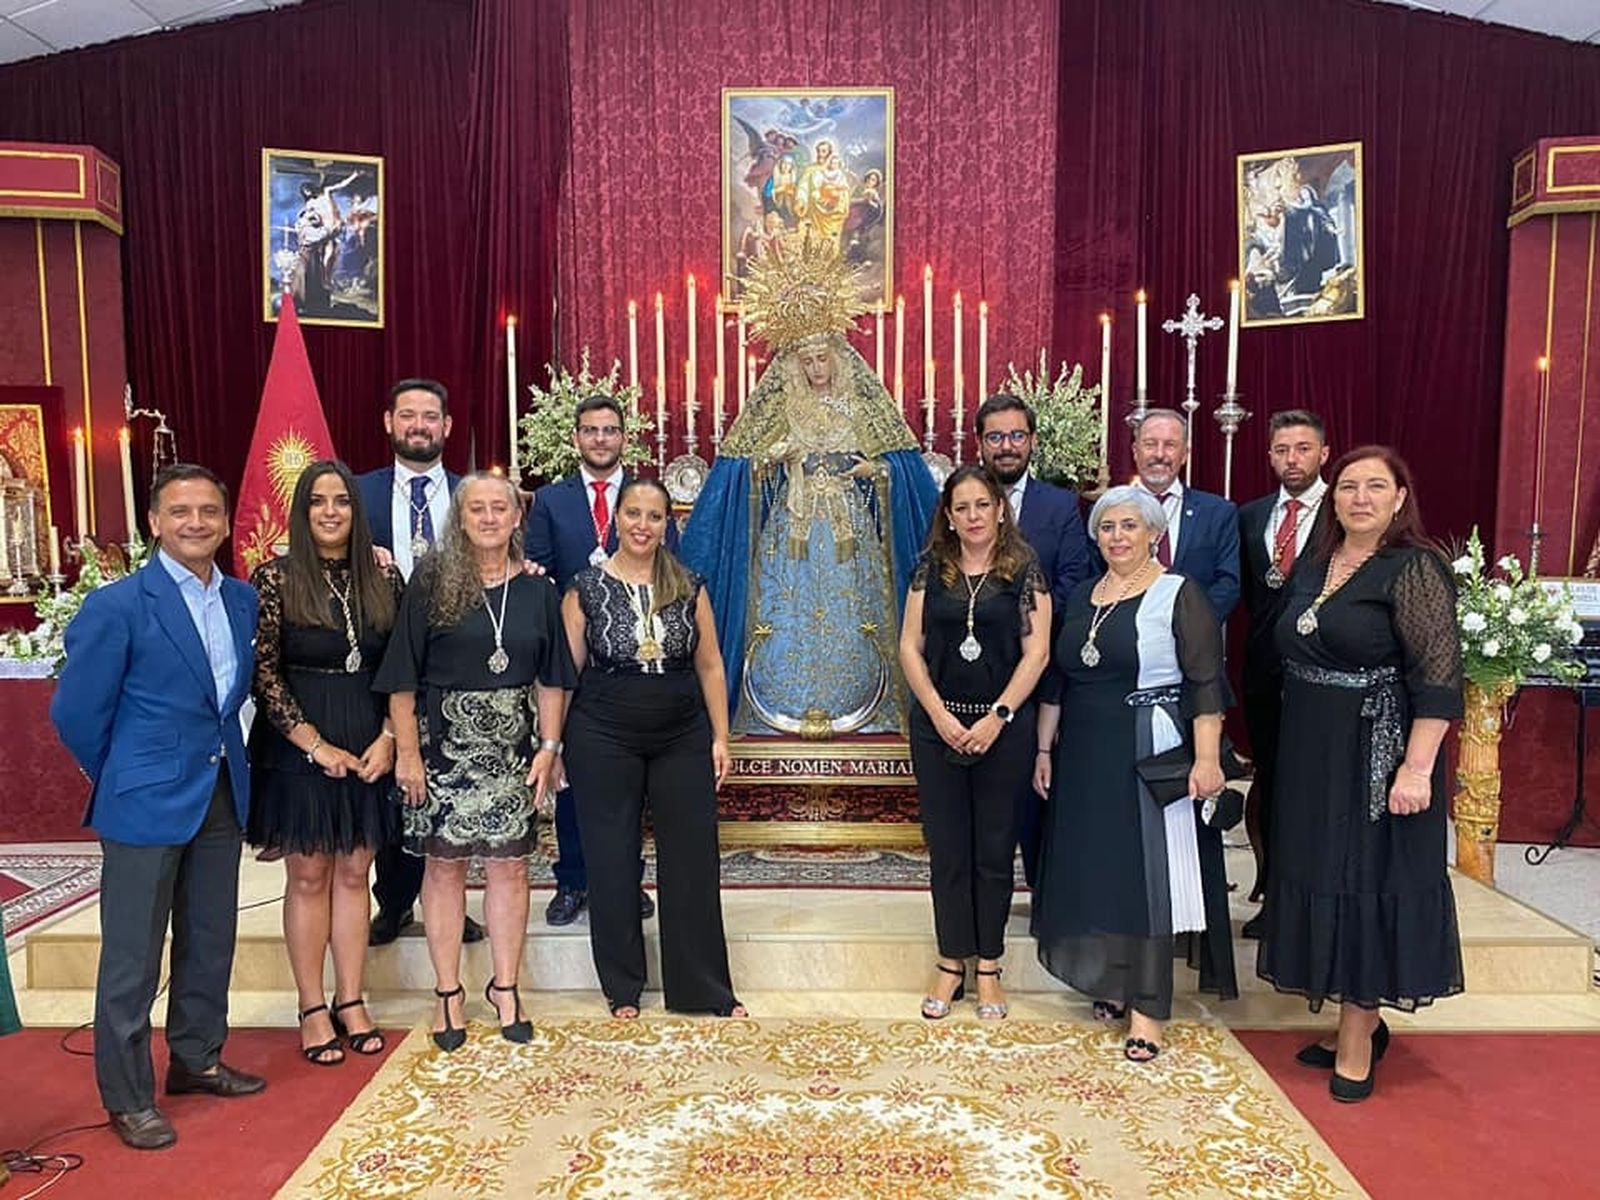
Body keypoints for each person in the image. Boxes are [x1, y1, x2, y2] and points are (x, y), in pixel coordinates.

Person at [51, 464, 265, 1150]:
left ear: (226, 522)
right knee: (132, 958)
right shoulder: (116, 606)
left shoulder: (240, 600)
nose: (196, 522)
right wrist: (125, 772)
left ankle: (197, 1058)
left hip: (220, 790)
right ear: (154, 522)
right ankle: (128, 1096)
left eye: (208, 511)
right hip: (143, 801)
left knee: (210, 940)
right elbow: (77, 712)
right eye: (181, 512)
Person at [1256, 446, 1463, 1103]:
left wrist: (1418, 769)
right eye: (1349, 486)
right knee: (1322, 874)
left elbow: (1438, 679)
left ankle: (1356, 1036)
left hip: (1380, 754)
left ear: (1400, 497)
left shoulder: (1416, 568)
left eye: (1378, 486)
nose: (1362, 498)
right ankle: (1358, 1019)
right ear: (1332, 497)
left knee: (1365, 879)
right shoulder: (1314, 564)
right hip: (1313, 752)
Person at [683, 240, 938, 737]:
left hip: (849, 529)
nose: (817, 369)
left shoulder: (862, 407)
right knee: (787, 609)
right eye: (807, 362)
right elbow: (744, 475)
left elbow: (897, 474)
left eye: (823, 359)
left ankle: (862, 698)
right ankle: (782, 699)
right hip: (791, 532)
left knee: (852, 609)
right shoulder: (780, 408)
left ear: (837, 359)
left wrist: (874, 473)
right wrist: (772, 460)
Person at [1033, 485, 1237, 1062]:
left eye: (1129, 526)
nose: (1118, 536)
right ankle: (1112, 980)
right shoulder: (1081, 597)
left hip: (1151, 746)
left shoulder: (1177, 593)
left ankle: (1148, 1008)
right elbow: (1059, 680)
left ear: (1154, 533)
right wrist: (1044, 750)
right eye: (1107, 527)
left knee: (1150, 877)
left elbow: (1204, 682)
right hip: (1085, 750)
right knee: (1099, 866)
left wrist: (1206, 758)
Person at [374, 473, 576, 1052]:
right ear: (459, 519)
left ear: (518, 519)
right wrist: (407, 753)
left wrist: (549, 748)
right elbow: (402, 681)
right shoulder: (432, 582)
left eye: (500, 509)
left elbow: (553, 680)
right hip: (443, 752)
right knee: (443, 869)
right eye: (476, 509)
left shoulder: (539, 590)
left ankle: (506, 988)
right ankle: (447, 993)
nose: (488, 518)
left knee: (511, 870)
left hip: (514, 753)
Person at [560, 478, 745, 1018]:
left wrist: (720, 737)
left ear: (669, 524)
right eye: (634, 513)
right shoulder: (585, 587)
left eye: (655, 516)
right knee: (612, 856)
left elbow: (710, 665)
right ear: (615, 518)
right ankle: (623, 987)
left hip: (680, 727)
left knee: (691, 855)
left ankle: (703, 987)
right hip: (602, 730)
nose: (643, 525)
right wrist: (552, 744)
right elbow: (566, 675)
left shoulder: (689, 585)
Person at [246, 461, 402, 1065]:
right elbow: (264, 674)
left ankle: (351, 997)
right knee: (309, 874)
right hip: (298, 745)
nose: (331, 511)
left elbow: (401, 666)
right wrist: (314, 744)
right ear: (302, 510)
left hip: (369, 739)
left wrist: (390, 735)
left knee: (354, 874)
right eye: (318, 501)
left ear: (357, 513)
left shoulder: (385, 579)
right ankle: (311, 1005)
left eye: (342, 501)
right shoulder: (276, 578)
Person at [900, 466, 1051, 1022]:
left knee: (992, 852)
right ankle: (950, 963)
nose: (973, 517)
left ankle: (988, 964)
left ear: (1000, 509)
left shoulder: (1024, 570)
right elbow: (910, 647)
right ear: (948, 515)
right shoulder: (929, 570)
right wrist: (938, 714)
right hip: (938, 727)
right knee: (948, 851)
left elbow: (1036, 653)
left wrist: (999, 715)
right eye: (961, 508)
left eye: (982, 505)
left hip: (1002, 730)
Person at [526, 394, 661, 927]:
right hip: (572, 663)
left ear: (624, 437)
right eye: (590, 430)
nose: (600, 439)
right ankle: (574, 882)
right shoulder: (551, 502)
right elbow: (537, 572)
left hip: (634, 664)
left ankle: (627, 879)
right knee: (573, 779)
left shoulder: (643, 497)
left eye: (609, 430)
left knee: (631, 784)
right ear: (576, 438)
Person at [356, 378, 482, 948]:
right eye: (407, 415)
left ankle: (451, 900)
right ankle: (396, 899)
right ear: (388, 422)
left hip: (457, 659)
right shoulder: (356, 495)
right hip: (376, 656)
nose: (419, 426)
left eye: (430, 416)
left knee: (454, 776)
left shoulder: (470, 496)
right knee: (391, 779)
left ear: (447, 427)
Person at [974, 393, 1094, 890]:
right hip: (974, 668)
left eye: (1016, 436)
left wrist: (1024, 633)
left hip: (1039, 671)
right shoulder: (963, 499)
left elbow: (1072, 580)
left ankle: (1046, 898)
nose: (1007, 446)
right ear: (979, 443)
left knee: (1034, 793)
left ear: (1033, 442)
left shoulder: (1060, 505)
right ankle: (984, 902)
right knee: (982, 801)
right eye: (996, 437)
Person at [1236, 411, 1330, 938]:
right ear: (1270, 455)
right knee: (1272, 782)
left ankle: (1313, 904)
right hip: (1265, 674)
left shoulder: (1343, 513)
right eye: (1281, 449)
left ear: (1322, 453)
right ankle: (1272, 896)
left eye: (1302, 448)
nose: (1291, 459)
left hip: (1325, 674)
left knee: (1314, 788)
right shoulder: (1250, 517)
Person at [1129, 408, 1240, 623]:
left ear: (1185, 454)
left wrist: (1190, 627)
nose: (1159, 454)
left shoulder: (1218, 512)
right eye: (1150, 444)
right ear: (1135, 451)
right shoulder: (1112, 511)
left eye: (1170, 445)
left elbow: (1228, 583)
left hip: (1193, 642)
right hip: (1123, 637)